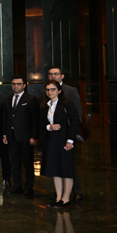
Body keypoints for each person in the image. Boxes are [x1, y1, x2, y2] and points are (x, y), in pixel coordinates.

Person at [40, 81, 78, 208]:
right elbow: (41, 123)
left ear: (59, 91)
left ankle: (66, 199)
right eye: (48, 89)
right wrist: (49, 127)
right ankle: (58, 198)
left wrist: (70, 140)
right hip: (51, 140)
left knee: (66, 169)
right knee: (55, 169)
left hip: (65, 140)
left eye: (53, 89)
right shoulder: (45, 105)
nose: (50, 92)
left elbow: (75, 122)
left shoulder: (66, 103)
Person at [48, 67, 84, 203]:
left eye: (56, 73)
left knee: (68, 165)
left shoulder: (70, 90)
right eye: (50, 74)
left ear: (62, 76)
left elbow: (77, 114)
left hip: (67, 135)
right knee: (57, 165)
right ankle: (60, 194)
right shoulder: (46, 91)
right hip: (53, 136)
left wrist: (71, 136)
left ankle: (77, 192)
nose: (53, 76)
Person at [3, 76, 39, 198]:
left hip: (26, 137)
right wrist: (5, 134)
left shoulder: (31, 99)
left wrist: (34, 136)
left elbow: (35, 119)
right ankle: (17, 186)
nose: (16, 86)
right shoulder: (8, 99)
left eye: (18, 83)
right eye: (13, 83)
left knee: (28, 163)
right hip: (12, 136)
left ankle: (29, 188)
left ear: (24, 85)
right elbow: (6, 118)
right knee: (15, 163)